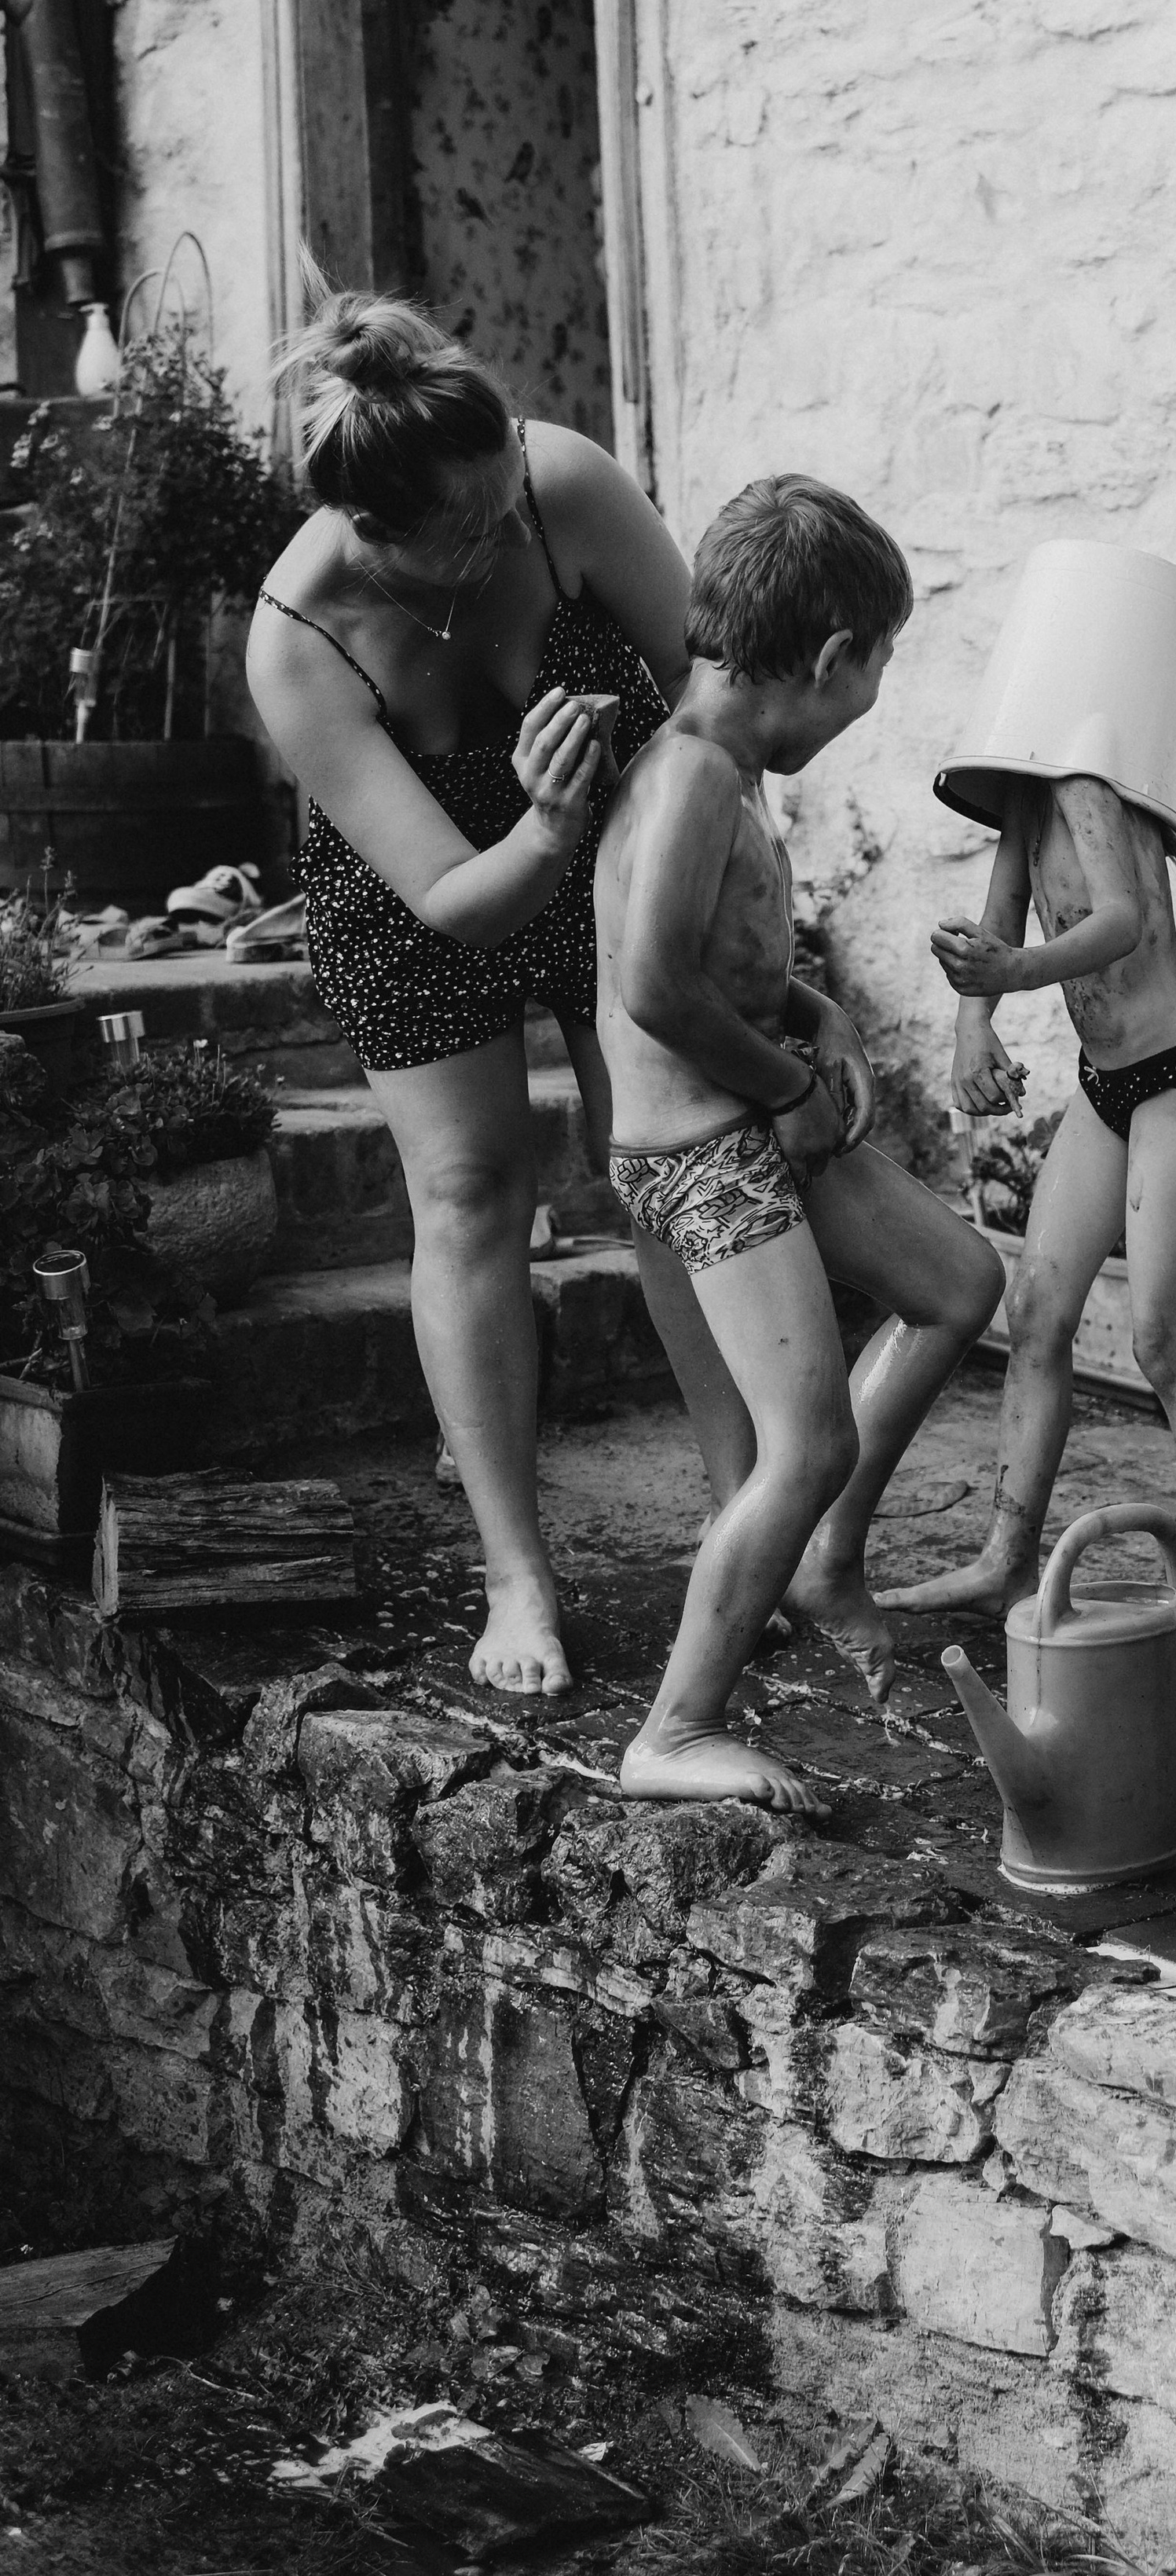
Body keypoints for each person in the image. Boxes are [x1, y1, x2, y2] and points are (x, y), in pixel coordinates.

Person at [247, 285, 866, 1704]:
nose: (495, 544)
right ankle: (516, 1567)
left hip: (615, 859)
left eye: (502, 508)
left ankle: (740, 1509)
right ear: (373, 532)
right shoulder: (301, 644)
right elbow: (457, 901)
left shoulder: (558, 480)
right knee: (472, 1193)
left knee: (661, 1158)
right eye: (464, 534)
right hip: (433, 897)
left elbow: (719, 702)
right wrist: (538, 825)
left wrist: (770, 958)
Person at [595, 474, 1004, 1814]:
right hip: (707, 1156)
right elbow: (653, 982)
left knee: (957, 1285)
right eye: (876, 668)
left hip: (754, 1131)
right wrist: (782, 1085)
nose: (872, 695)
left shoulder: (730, 765)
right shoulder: (695, 777)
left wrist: (815, 1011)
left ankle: (824, 1564)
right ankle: (676, 1727)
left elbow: (724, 953)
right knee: (806, 1442)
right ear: (832, 658)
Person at [876, 773, 1176, 1668]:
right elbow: (1001, 918)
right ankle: (1005, 1561)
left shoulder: (1090, 782)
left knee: (1163, 1341)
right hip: (1106, 1086)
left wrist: (1012, 975)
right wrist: (971, 1025)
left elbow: (1121, 919)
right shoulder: (1024, 797)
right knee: (1036, 1315)